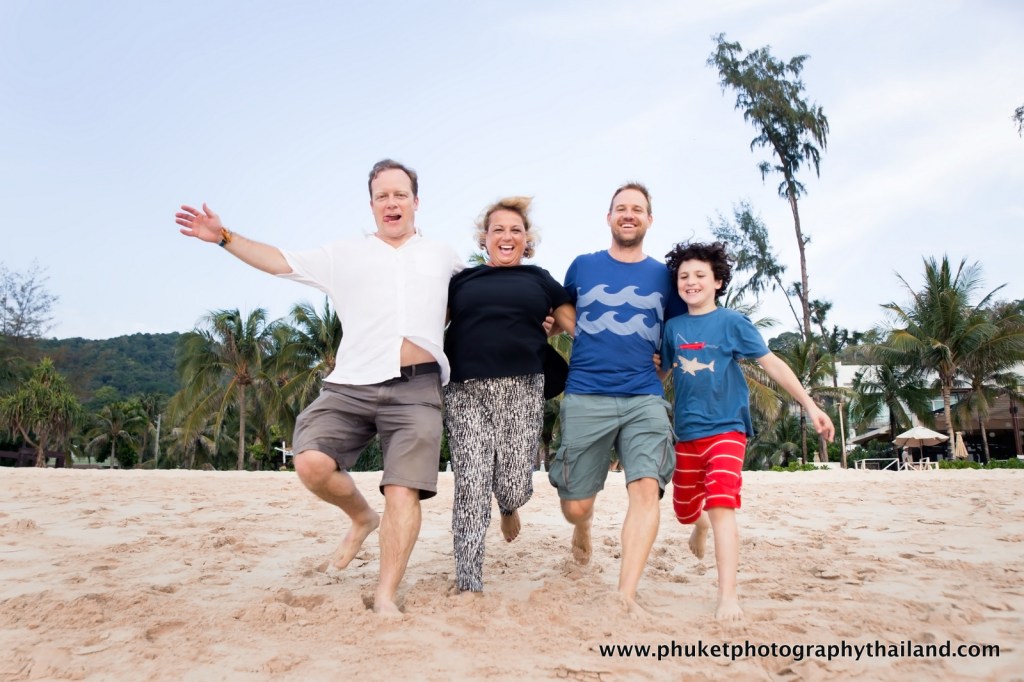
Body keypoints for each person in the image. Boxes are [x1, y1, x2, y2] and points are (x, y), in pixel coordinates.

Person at [175, 159, 463, 616]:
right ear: (371, 205)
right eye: (382, 195)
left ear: (416, 202)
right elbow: (279, 262)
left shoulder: (443, 255)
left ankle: (386, 594)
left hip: (416, 387)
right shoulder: (343, 253)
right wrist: (224, 237)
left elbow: (476, 300)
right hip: (351, 382)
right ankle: (360, 516)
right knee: (309, 461)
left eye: (400, 194)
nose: (392, 202)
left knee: (403, 490)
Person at [661, 241, 835, 621]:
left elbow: (772, 364)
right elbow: (661, 373)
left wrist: (810, 405)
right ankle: (699, 526)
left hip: (727, 429)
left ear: (718, 281)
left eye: (700, 276)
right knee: (685, 512)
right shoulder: (672, 328)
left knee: (722, 504)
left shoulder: (733, 323)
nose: (691, 282)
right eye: (684, 276)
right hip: (686, 433)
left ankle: (727, 596)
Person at [548, 182, 681, 613]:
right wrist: (572, 329)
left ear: (649, 220)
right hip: (587, 394)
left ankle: (624, 594)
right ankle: (582, 527)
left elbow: (680, 335)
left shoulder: (665, 277)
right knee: (574, 506)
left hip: (644, 396)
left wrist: (663, 369)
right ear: (608, 218)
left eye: (637, 209)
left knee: (646, 488)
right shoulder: (583, 266)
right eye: (621, 208)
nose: (629, 215)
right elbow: (562, 311)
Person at [443, 196, 575, 594]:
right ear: (484, 239)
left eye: (515, 230)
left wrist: (563, 331)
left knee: (516, 481)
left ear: (526, 240)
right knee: (471, 482)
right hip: (465, 389)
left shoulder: (538, 278)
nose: (506, 235)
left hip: (523, 387)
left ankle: (508, 504)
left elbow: (570, 320)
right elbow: (431, 322)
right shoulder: (462, 280)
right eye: (498, 229)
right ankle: (469, 583)